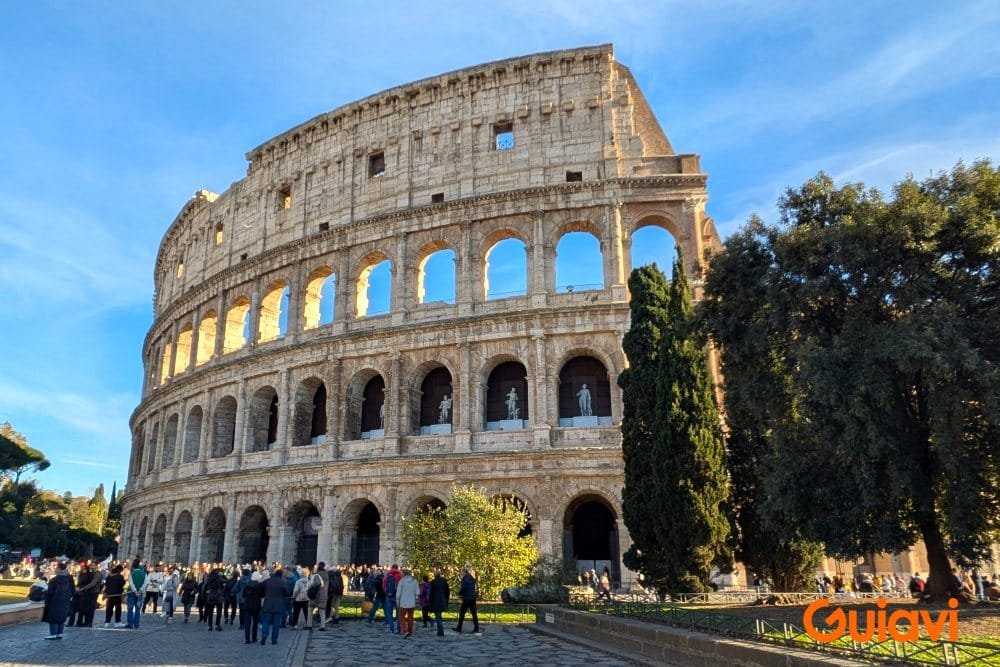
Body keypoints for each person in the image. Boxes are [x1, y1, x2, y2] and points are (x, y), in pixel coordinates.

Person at [42, 562, 74, 640]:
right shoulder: (69, 578)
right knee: (62, 616)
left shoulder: (54, 580)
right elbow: (73, 590)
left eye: (56, 568)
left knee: (53, 617)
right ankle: (60, 633)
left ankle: (53, 634)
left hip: (55, 601)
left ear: (59, 569)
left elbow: (50, 592)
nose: (55, 569)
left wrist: (46, 596)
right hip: (65, 600)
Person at [260, 567, 286, 645]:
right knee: (276, 624)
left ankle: (264, 635)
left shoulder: (268, 581)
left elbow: (259, 586)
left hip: (268, 604)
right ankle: (274, 640)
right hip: (278, 605)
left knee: (266, 622)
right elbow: (287, 592)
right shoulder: (283, 582)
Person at [453, 567, 480, 634]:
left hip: (466, 599)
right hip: (472, 598)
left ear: (464, 572)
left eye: (461, 572)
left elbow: (463, 588)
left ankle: (459, 628)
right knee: (474, 614)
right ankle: (476, 628)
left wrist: (459, 593)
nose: (461, 573)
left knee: (462, 613)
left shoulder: (464, 579)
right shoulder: (472, 578)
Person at [71, 563, 100, 627]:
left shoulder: (97, 574)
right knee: (87, 608)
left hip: (94, 592)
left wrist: (82, 588)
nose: (92, 567)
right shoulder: (89, 573)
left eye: (93, 565)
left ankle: (89, 622)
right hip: (88, 592)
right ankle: (85, 622)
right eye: (91, 566)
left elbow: (92, 583)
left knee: (91, 608)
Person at [241, 570, 262, 644]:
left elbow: (243, 595)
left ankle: (247, 639)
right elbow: (262, 595)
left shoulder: (248, 585)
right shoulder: (260, 586)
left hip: (247, 605)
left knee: (247, 623)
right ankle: (254, 638)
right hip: (256, 606)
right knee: (255, 623)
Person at [396, 567, 419, 638]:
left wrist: (397, 600)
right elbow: (418, 592)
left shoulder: (401, 581)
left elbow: (398, 594)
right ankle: (410, 631)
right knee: (410, 617)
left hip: (403, 602)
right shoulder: (415, 581)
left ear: (403, 574)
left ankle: (405, 631)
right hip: (412, 602)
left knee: (401, 617)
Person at [125, 559, 146, 629]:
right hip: (140, 593)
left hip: (132, 593)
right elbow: (145, 583)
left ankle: (130, 623)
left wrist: (135, 591)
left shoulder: (132, 573)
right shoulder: (144, 573)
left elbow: (131, 583)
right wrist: (140, 591)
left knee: (130, 608)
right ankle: (136, 624)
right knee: (138, 609)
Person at [307, 562, 328, 630]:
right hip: (323, 595)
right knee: (322, 611)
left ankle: (309, 625)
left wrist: (310, 584)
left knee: (310, 610)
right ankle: (322, 626)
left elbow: (315, 583)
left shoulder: (317, 575)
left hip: (315, 594)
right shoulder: (327, 575)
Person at [429, 569, 450, 637]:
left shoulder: (433, 582)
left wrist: (430, 602)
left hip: (435, 601)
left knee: (438, 617)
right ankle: (440, 631)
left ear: (434, 575)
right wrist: (446, 599)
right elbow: (448, 592)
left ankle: (440, 632)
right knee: (439, 616)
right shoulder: (444, 581)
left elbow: (430, 593)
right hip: (442, 601)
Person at [384, 563, 402, 634]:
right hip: (398, 597)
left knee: (389, 612)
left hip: (389, 596)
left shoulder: (387, 575)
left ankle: (391, 628)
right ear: (398, 568)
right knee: (398, 613)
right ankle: (398, 628)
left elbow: (384, 585)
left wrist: (386, 592)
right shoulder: (400, 575)